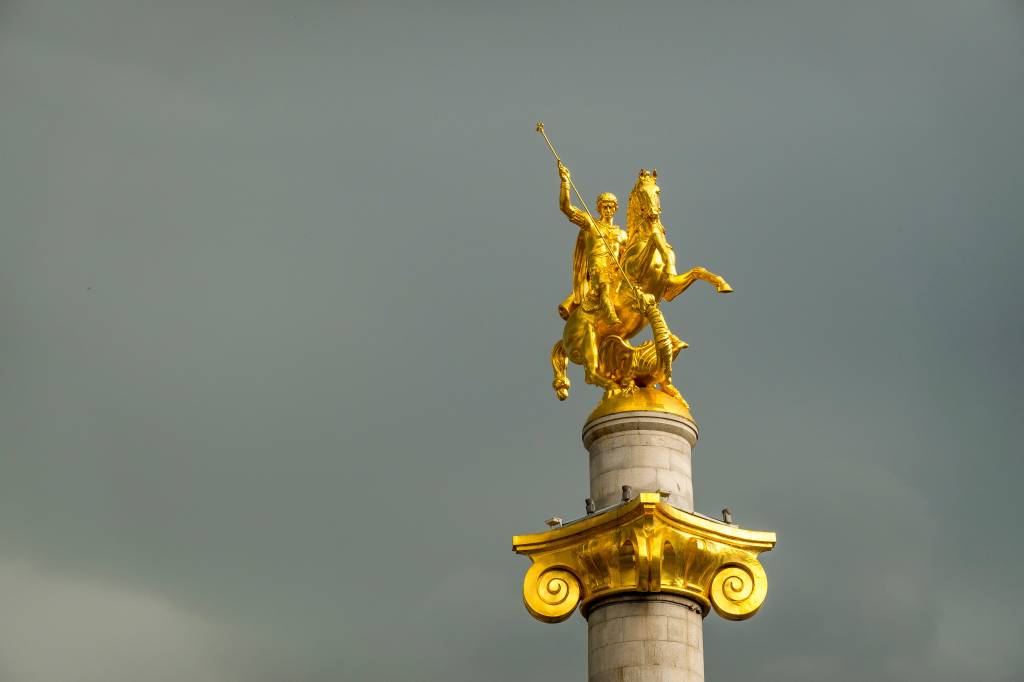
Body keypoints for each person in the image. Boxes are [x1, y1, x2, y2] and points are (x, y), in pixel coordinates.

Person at [556, 161, 626, 324]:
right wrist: (565, 182)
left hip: (615, 273)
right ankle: (611, 317)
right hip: (597, 271)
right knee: (603, 285)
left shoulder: (622, 234)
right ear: (598, 209)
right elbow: (566, 208)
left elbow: (627, 258)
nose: (607, 210)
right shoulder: (590, 224)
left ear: (615, 209)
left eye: (610, 207)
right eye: (604, 207)